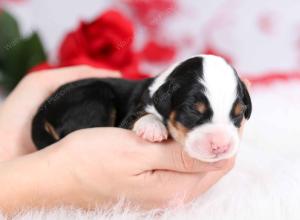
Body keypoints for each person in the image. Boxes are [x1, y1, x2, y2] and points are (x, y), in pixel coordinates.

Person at [0, 66, 242, 216]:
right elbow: (130, 122)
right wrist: (61, 173)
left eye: (236, 116)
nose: (221, 139)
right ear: (166, 102)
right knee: (100, 100)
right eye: (195, 114)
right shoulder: (154, 99)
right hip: (82, 102)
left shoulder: (172, 93)